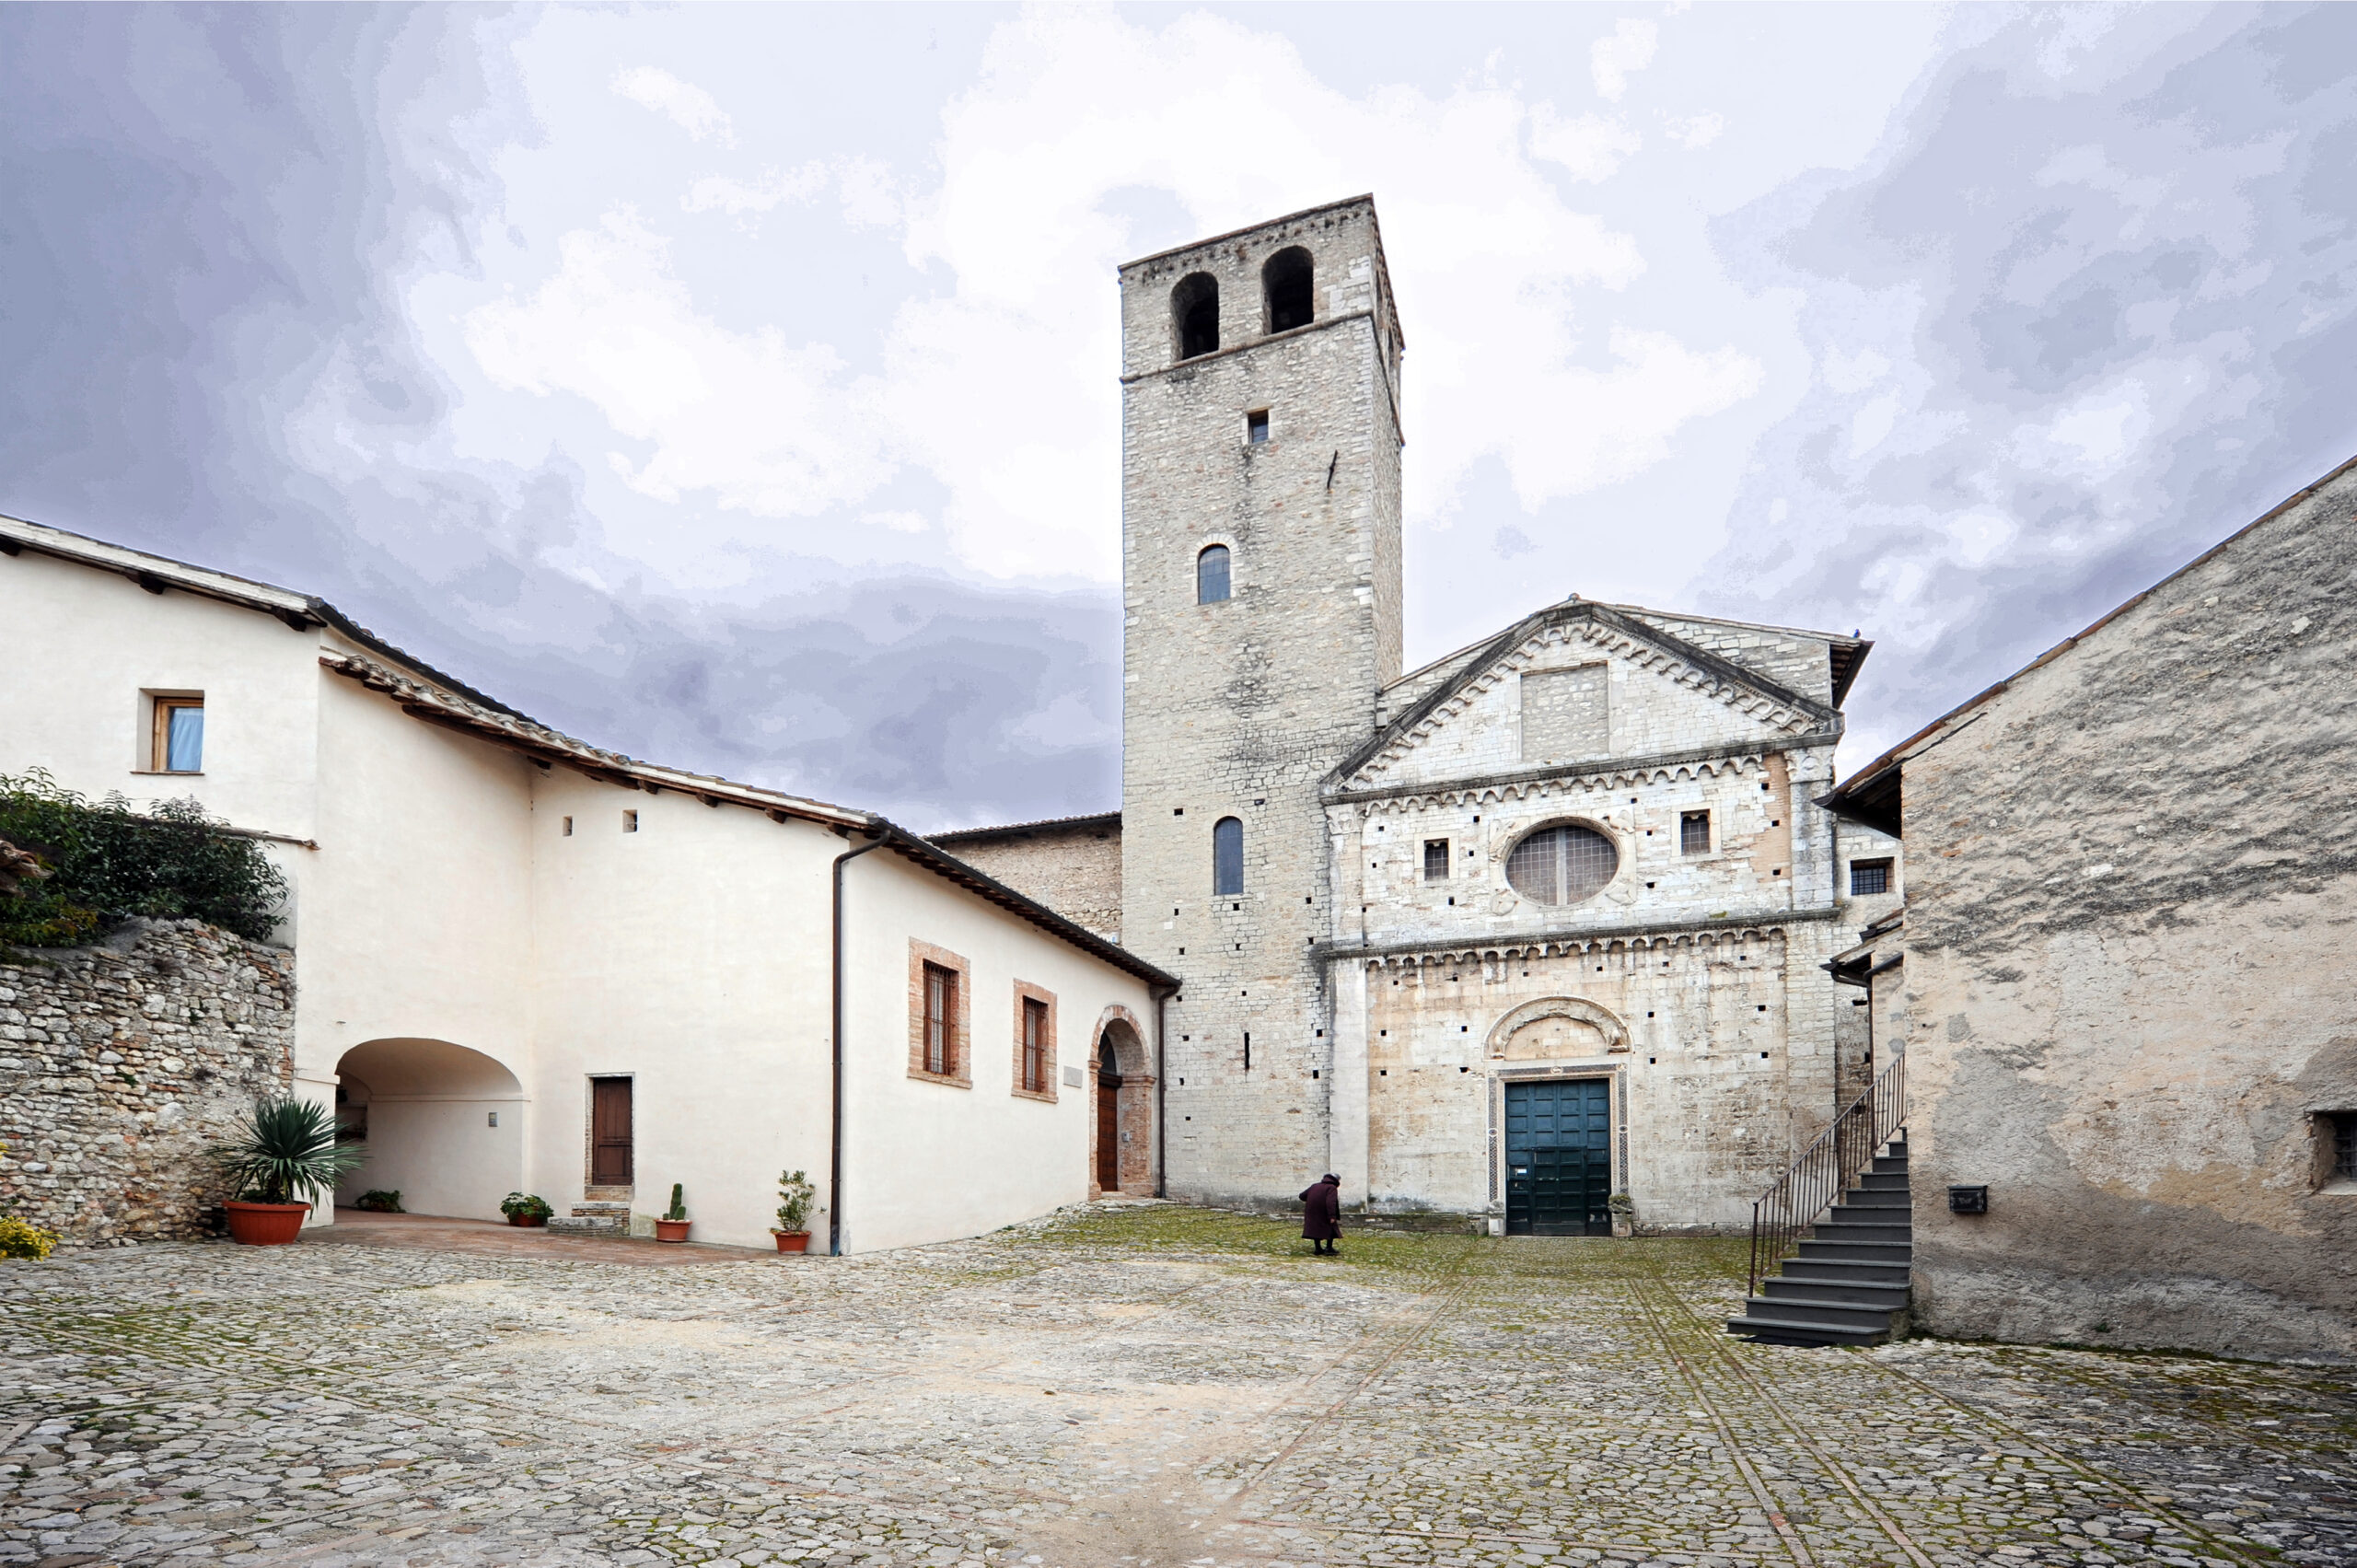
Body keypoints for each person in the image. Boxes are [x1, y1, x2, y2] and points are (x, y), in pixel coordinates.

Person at [1300, 1173, 1341, 1255]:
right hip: (1324, 1212)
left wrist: (1314, 1199)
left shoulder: (1315, 1186)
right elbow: (1331, 1202)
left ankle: (1318, 1248)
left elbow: (1302, 1196)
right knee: (1331, 1229)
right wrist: (1332, 1216)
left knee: (1316, 1229)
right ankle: (1329, 1248)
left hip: (1312, 1212)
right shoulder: (1331, 1187)